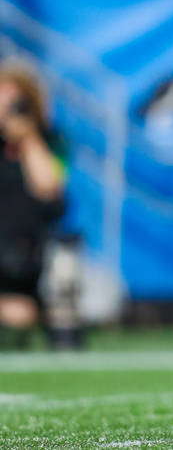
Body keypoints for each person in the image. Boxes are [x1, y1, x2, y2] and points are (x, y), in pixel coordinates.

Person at [0, 62, 66, 349]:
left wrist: (27, 137)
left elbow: (48, 189)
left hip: (23, 262)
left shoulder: (50, 143)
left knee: (21, 315)